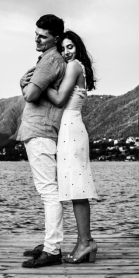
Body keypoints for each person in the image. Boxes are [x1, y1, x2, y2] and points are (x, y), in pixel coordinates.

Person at [44, 30, 99, 263]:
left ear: (78, 48)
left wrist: (37, 83)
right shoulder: (75, 67)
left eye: (70, 47)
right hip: (70, 128)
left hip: (71, 129)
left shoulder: (75, 66)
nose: (66, 52)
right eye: (63, 48)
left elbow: (58, 99)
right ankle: (83, 242)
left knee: (78, 190)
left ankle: (86, 242)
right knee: (76, 190)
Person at [17, 14, 67, 268]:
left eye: (43, 36)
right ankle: (50, 243)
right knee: (49, 190)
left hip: (41, 131)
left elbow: (31, 94)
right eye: (35, 33)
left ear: (55, 38)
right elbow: (30, 92)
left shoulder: (50, 61)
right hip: (41, 131)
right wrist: (25, 86)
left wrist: (23, 85)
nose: (36, 38)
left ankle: (52, 249)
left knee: (49, 192)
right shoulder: (49, 59)